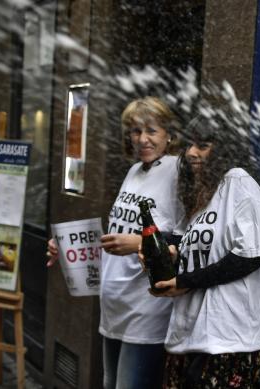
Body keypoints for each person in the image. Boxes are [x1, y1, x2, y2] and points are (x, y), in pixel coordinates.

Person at [47, 97, 183, 389]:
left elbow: (187, 237)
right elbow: (118, 233)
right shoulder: (134, 171)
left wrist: (138, 243)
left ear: (169, 134)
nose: (142, 139)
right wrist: (68, 245)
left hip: (146, 309)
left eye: (152, 130)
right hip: (114, 306)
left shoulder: (177, 170)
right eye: (135, 131)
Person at [151, 114, 260, 388]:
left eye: (203, 146)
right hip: (189, 337)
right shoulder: (201, 193)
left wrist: (185, 282)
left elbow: (251, 255)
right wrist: (171, 254)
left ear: (223, 148)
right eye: (189, 145)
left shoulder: (239, 183)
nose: (192, 153)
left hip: (229, 342)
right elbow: (191, 247)